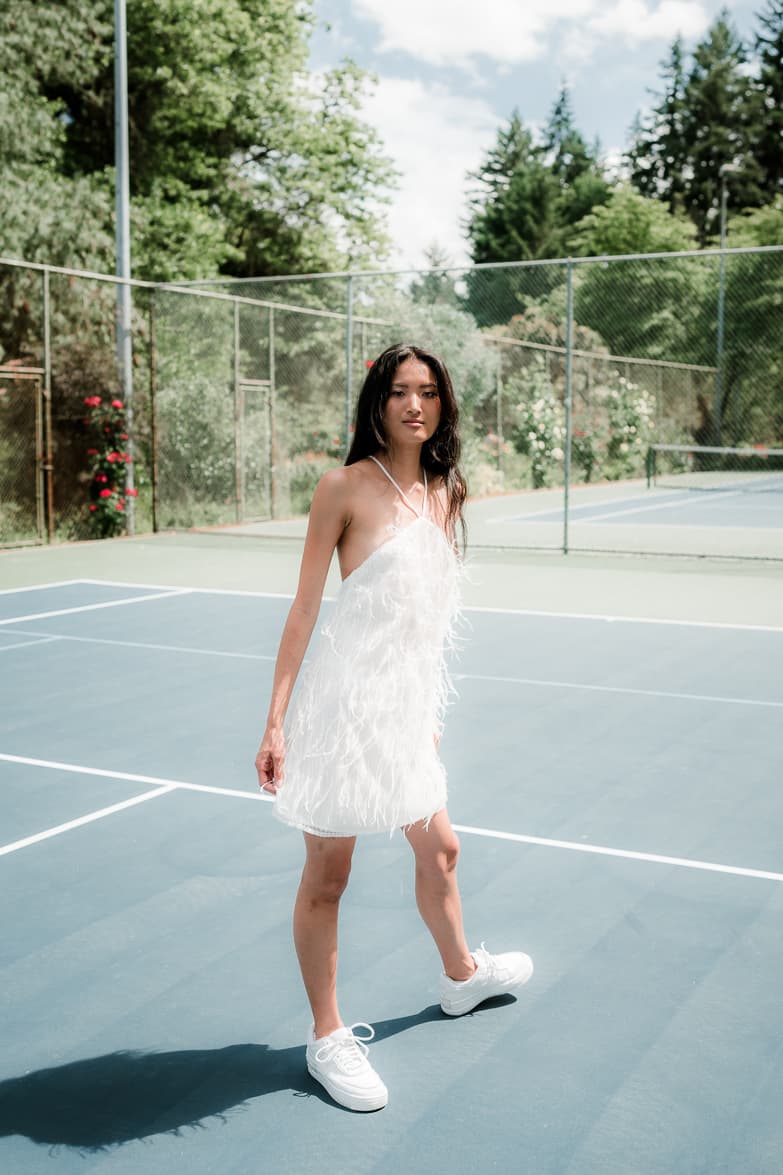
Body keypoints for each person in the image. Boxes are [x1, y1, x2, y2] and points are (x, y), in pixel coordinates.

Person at [255, 342, 533, 1112]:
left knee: (440, 848)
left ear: (442, 405)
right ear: (377, 401)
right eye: (400, 391)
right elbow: (306, 609)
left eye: (429, 392)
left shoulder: (446, 491)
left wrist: (425, 712)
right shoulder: (343, 487)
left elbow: (426, 622)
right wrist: (275, 722)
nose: (415, 404)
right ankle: (326, 1036)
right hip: (342, 712)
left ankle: (459, 979)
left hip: (406, 712)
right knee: (330, 877)